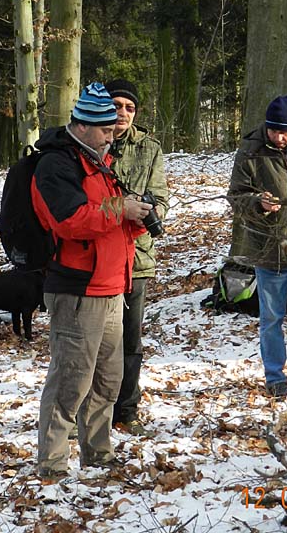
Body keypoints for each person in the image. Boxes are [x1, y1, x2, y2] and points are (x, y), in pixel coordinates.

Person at [31, 82, 153, 478]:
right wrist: (122, 208)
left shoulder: (98, 159)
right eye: (105, 128)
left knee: (107, 381)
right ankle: (51, 463)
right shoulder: (56, 164)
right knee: (71, 380)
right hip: (78, 289)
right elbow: (69, 221)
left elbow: (108, 221)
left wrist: (135, 217)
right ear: (82, 126)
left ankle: (97, 453)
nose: (113, 132)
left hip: (113, 286)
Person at [104, 79, 169, 436]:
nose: (122, 114)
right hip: (97, 257)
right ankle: (94, 407)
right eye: (116, 106)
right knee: (98, 340)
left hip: (138, 258)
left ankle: (127, 409)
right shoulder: (91, 143)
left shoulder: (150, 149)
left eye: (129, 108)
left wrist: (149, 210)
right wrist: (120, 209)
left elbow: (161, 196)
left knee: (131, 340)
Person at [227, 94, 287, 398]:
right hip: (269, 246)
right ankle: (275, 376)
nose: (279, 138)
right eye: (274, 131)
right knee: (271, 318)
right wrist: (259, 204)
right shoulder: (250, 152)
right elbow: (236, 197)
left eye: (285, 132)